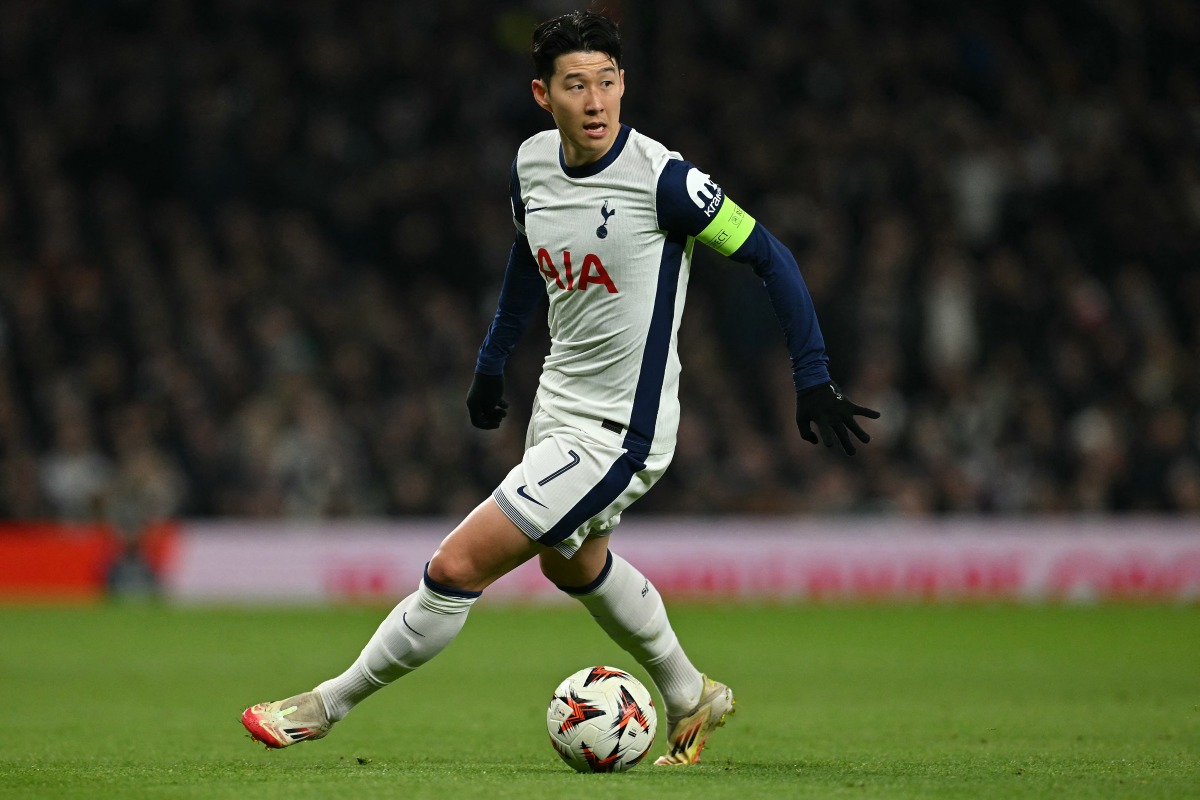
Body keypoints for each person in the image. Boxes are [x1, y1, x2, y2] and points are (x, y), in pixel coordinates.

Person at [241, 10, 879, 766]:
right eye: (577, 85)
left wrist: (812, 376)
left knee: (454, 567)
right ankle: (687, 691)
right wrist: (491, 360)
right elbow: (525, 262)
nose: (597, 100)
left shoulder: (664, 181)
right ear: (544, 95)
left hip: (621, 432)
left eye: (608, 82)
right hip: (557, 410)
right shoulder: (533, 164)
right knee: (572, 563)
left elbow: (772, 256)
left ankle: (325, 705)